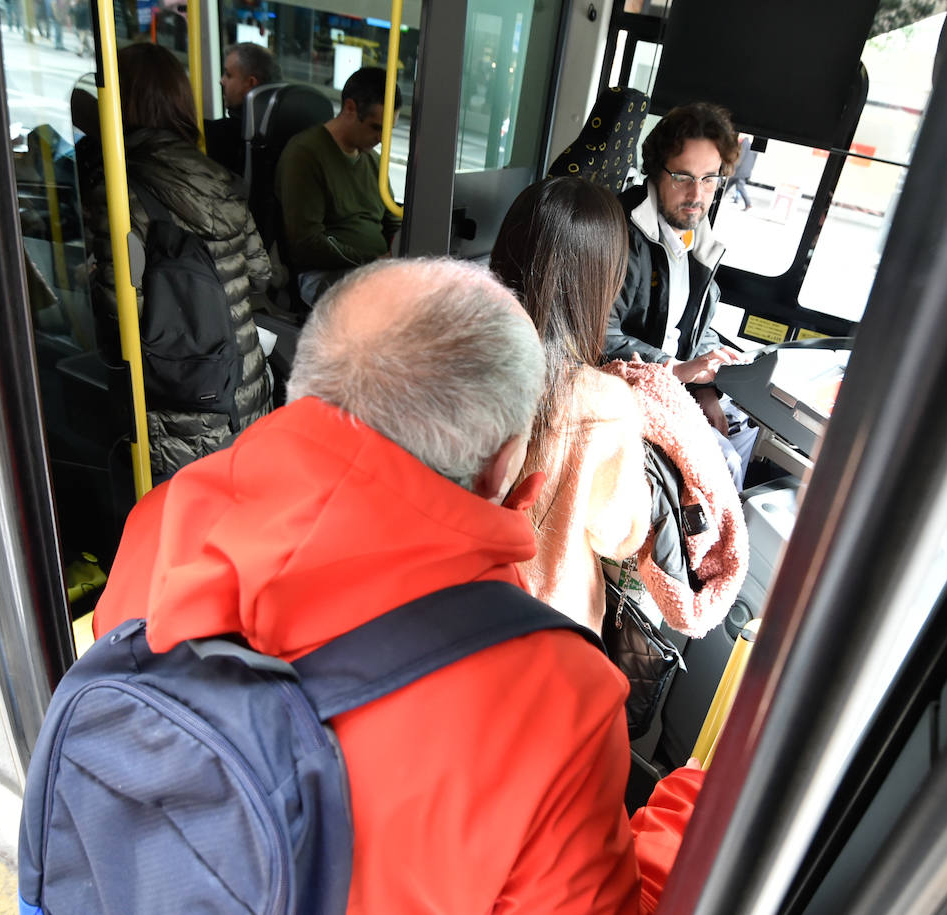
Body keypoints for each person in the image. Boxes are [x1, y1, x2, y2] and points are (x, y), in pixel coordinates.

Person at [91, 257, 704, 913]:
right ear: (508, 472)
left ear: (307, 383)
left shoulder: (162, 518)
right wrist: (695, 802)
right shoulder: (557, 699)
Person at [79, 42, 271, 478]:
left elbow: (117, 309)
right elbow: (260, 274)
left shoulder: (118, 188)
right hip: (242, 383)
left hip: (180, 399)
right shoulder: (218, 176)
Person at [491, 177, 651, 631]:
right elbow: (618, 535)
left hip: (451, 598)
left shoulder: (454, 360)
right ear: (603, 280)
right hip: (548, 618)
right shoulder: (605, 402)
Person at [605, 101, 757, 488]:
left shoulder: (696, 238)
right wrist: (678, 371)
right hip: (636, 386)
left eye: (709, 179)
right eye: (683, 177)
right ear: (656, 172)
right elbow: (599, 337)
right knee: (725, 465)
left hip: (680, 382)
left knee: (752, 431)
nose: (697, 194)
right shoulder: (619, 236)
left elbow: (697, 324)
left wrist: (707, 384)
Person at [275, 66, 402, 304]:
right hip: (323, 275)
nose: (383, 139)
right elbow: (307, 243)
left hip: (374, 269)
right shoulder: (305, 155)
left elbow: (391, 219)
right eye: (376, 128)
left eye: (389, 131)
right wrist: (374, 262)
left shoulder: (372, 160)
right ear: (350, 109)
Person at [203, 41, 281, 176]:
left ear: (250, 83)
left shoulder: (218, 135)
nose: (221, 81)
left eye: (228, 75)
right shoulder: (283, 133)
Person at [728, 133, 756, 210]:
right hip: (745, 171)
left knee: (735, 186)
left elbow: (740, 157)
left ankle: (748, 203)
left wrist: (734, 168)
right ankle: (747, 204)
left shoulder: (744, 143)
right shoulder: (753, 145)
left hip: (739, 171)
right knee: (736, 186)